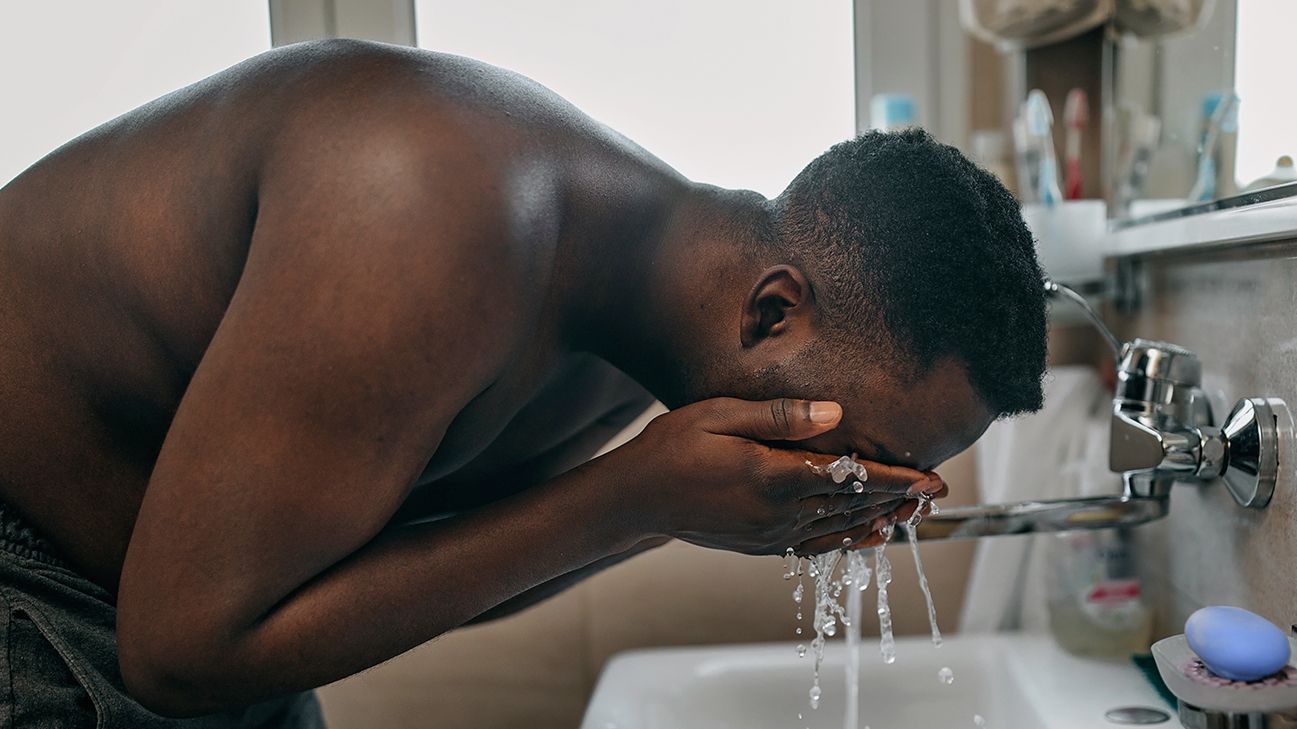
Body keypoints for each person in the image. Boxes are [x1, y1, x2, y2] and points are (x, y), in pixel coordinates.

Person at [0, 39, 1046, 727]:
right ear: (772, 311)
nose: (855, 482)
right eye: (865, 449)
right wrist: (632, 497)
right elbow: (179, 650)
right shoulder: (433, 214)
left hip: (190, 605)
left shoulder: (643, 339)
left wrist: (662, 505)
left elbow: (429, 579)